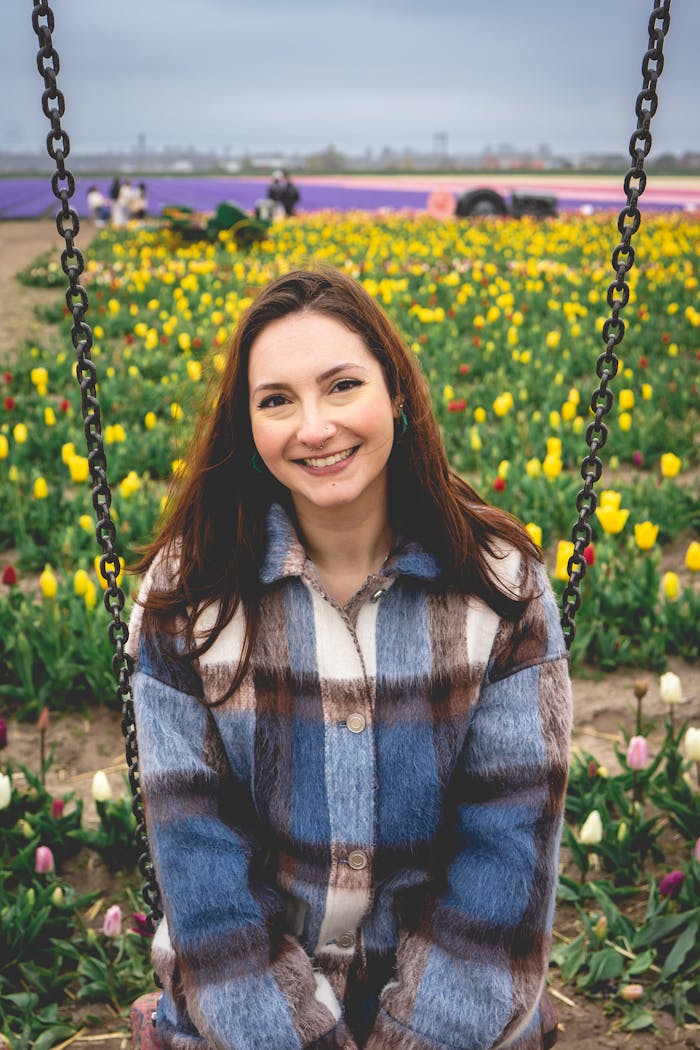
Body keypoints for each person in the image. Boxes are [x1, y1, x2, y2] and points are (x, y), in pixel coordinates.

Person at [127, 266, 572, 1050]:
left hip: (452, 1010)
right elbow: (202, 877)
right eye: (277, 401)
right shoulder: (186, 596)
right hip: (244, 1011)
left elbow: (504, 864)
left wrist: (419, 1037)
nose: (314, 427)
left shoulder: (499, 587)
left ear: (395, 393)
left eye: (341, 386)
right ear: (247, 425)